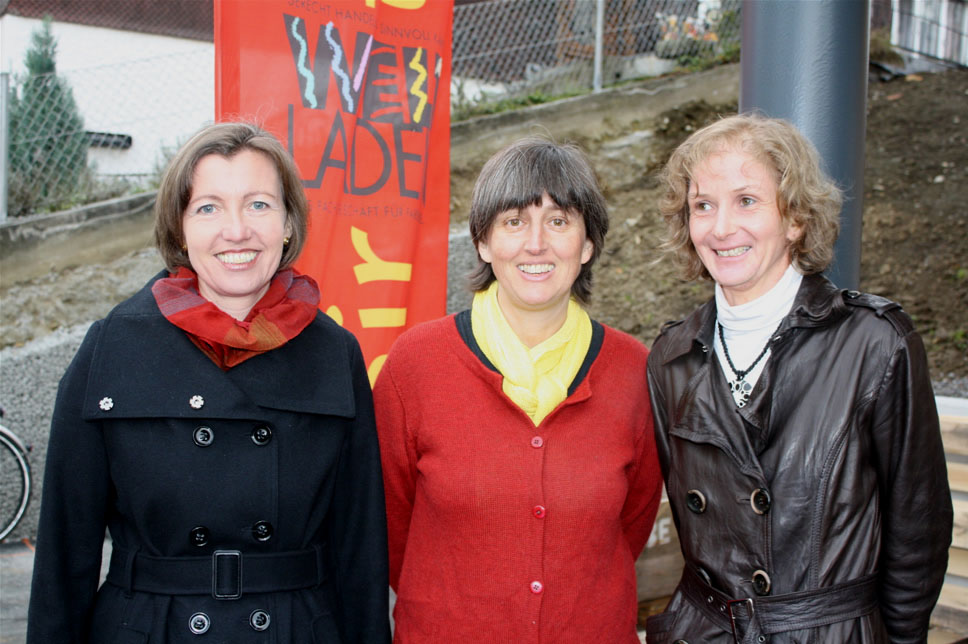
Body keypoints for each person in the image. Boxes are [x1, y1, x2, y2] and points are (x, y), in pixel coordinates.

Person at [27, 122, 390, 643]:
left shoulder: (334, 352)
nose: (236, 231)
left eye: (259, 204)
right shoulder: (113, 346)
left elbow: (361, 551)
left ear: (288, 223)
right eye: (208, 208)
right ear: (179, 229)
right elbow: (64, 556)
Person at [645, 113, 952, 643]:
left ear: (796, 219)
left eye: (747, 200)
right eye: (703, 205)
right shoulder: (672, 358)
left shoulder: (874, 343)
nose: (721, 228)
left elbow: (917, 531)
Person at [373, 136, 663, 643]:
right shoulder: (415, 364)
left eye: (559, 221)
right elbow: (388, 522)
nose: (536, 243)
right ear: (483, 243)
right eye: (513, 221)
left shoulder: (634, 372)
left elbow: (632, 522)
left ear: (588, 244)